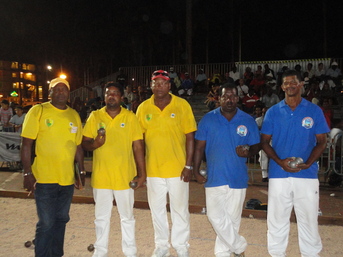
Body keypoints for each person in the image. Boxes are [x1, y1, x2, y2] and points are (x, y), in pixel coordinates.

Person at [260, 70, 330, 257]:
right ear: (282, 87)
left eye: (293, 82)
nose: (289, 86)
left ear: (301, 85)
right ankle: (276, 254)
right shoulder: (273, 112)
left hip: (306, 175)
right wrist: (279, 162)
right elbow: (264, 141)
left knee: (308, 219)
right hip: (279, 174)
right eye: (285, 83)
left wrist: (308, 162)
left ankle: (310, 254)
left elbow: (322, 141)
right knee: (277, 219)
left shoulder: (313, 110)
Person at [193, 82, 260, 257]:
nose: (229, 99)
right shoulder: (208, 119)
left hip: (237, 178)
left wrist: (248, 151)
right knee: (214, 216)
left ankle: (223, 253)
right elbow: (199, 147)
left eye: (232, 96)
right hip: (214, 177)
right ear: (219, 98)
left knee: (232, 220)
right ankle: (239, 247)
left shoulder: (247, 120)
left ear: (237, 98)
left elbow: (256, 146)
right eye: (225, 96)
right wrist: (195, 171)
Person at [21, 77, 85, 257]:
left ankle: (57, 254)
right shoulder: (38, 111)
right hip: (44, 178)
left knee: (61, 219)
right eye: (56, 89)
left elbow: (78, 146)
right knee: (47, 222)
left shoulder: (74, 114)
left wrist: (80, 171)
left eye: (64, 89)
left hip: (66, 179)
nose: (61, 92)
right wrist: (27, 173)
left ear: (69, 93)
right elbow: (26, 144)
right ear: (49, 93)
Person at [136, 70, 197, 257]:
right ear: (151, 86)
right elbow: (138, 141)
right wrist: (142, 171)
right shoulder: (143, 108)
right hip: (153, 169)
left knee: (180, 209)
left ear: (169, 86)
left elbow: (190, 137)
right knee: (157, 210)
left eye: (163, 83)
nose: (159, 86)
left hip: (178, 169)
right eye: (156, 83)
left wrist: (188, 166)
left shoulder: (182, 105)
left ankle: (181, 245)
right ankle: (161, 245)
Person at [82, 82, 146, 257]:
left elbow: (138, 147)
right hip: (102, 177)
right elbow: (84, 143)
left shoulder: (130, 117)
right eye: (108, 93)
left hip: (124, 176)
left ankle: (130, 250)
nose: (112, 96)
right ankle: (100, 250)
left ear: (121, 97)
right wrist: (95, 144)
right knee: (101, 217)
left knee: (127, 217)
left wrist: (142, 174)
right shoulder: (95, 116)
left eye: (115, 93)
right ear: (104, 97)